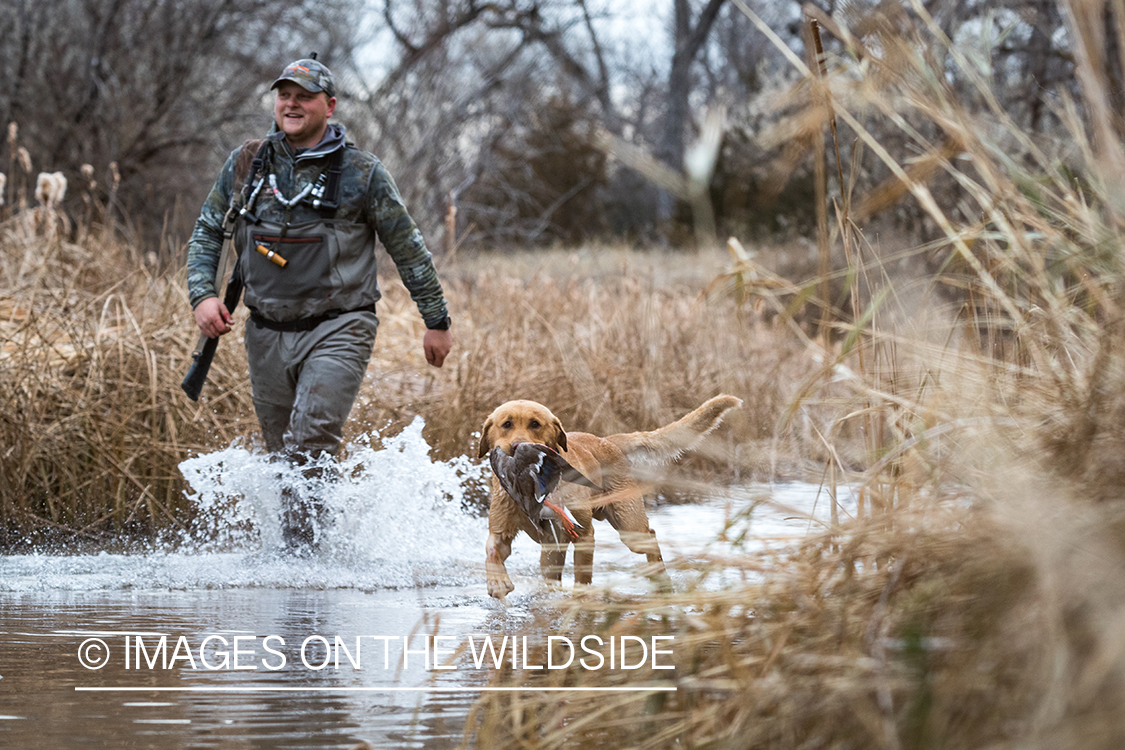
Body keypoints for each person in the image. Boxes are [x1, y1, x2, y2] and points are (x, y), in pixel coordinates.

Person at [186, 57, 453, 549]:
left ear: (328, 106)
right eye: (284, 94)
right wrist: (202, 295)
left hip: (340, 326)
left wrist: (436, 320)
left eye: (304, 96)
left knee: (309, 444)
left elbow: (408, 247)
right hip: (264, 330)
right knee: (283, 459)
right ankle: (306, 562)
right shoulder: (246, 162)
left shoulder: (362, 172)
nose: (291, 104)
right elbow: (207, 230)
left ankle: (306, 566)